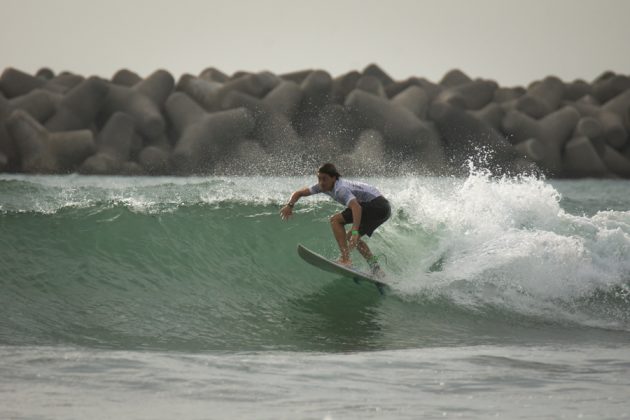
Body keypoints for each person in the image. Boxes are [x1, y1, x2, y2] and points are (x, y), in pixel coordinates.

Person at [280, 163, 391, 275]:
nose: (321, 182)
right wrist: (290, 205)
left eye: (325, 179)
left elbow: (356, 208)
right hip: (385, 209)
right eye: (319, 178)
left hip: (377, 205)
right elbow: (299, 193)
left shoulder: (340, 189)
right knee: (352, 238)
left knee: (335, 220)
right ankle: (376, 269)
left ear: (334, 178)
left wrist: (355, 230)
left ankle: (345, 259)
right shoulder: (322, 186)